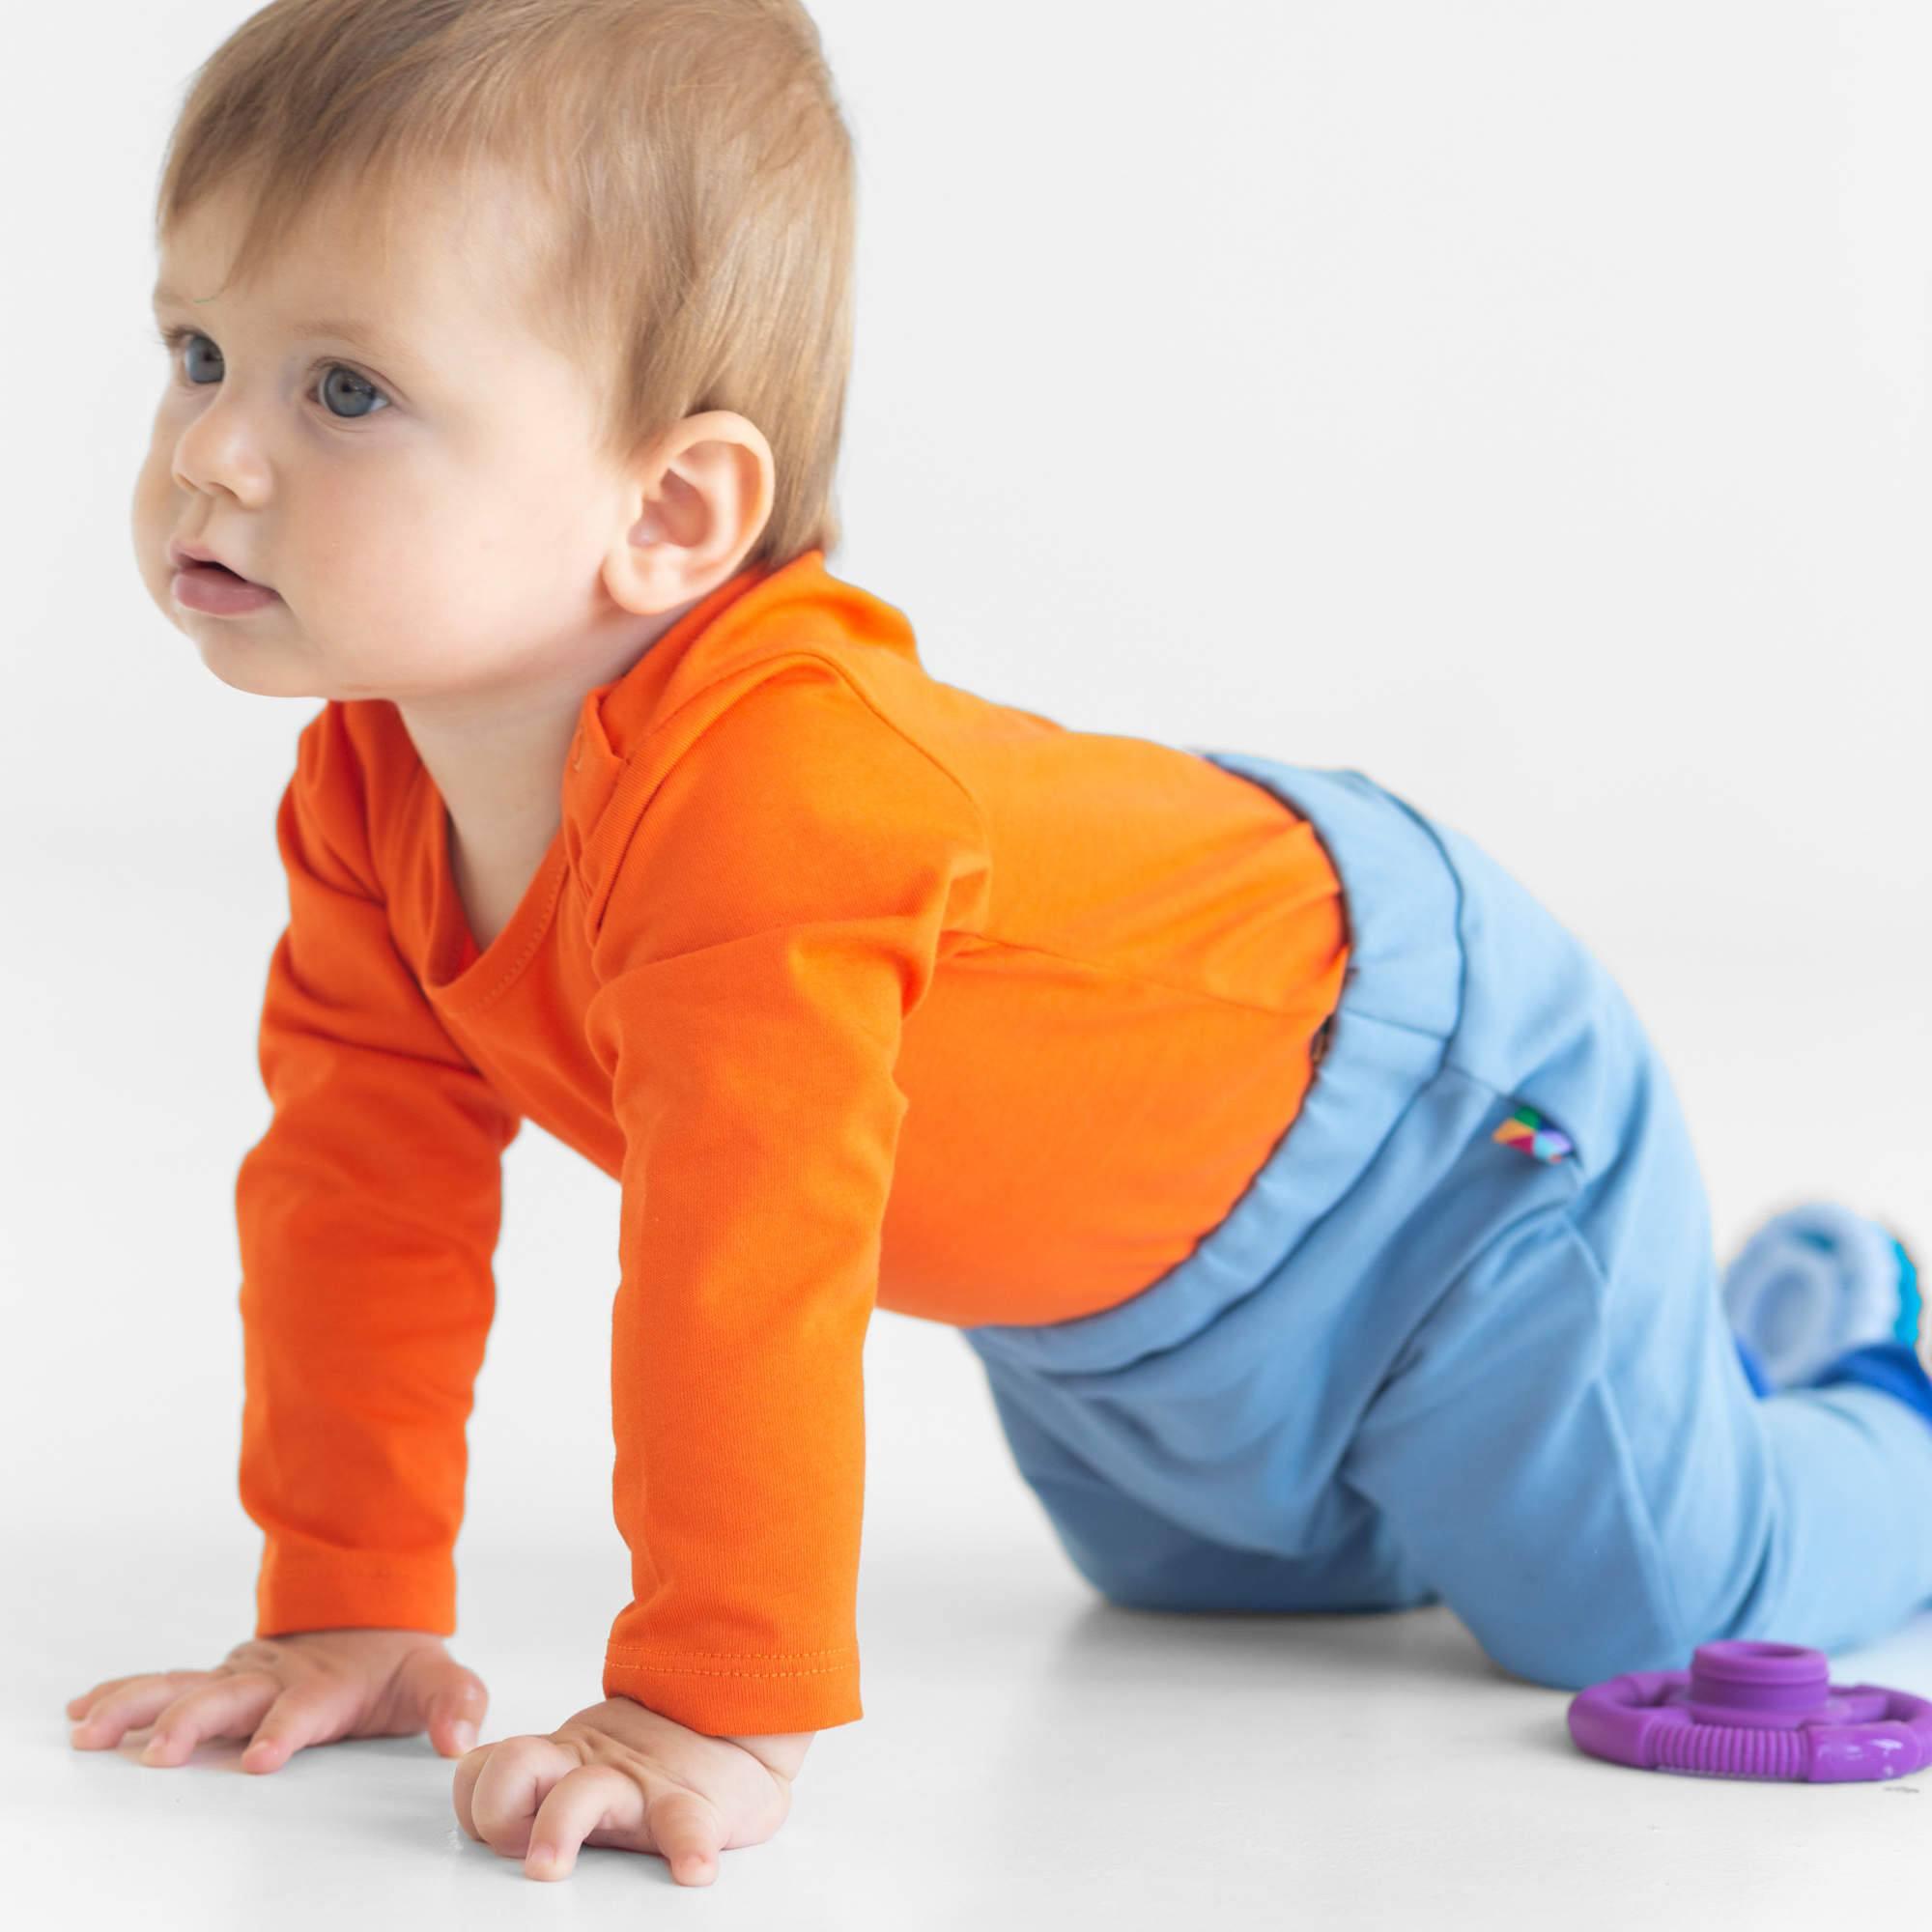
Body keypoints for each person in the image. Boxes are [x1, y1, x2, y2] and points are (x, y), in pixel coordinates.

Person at [67, 0, 1932, 1889]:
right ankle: (1637, 1390)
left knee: (1631, 1601)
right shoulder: (368, 796)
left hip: (1428, 1141)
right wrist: (349, 1601)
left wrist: (711, 1697)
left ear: (671, 508)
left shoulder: (766, 797)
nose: (212, 450)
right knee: (1199, 1589)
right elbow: (356, 1194)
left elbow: (747, 1259)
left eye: (345, 391)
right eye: (198, 350)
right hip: (1119, 1308)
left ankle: (1862, 1378)